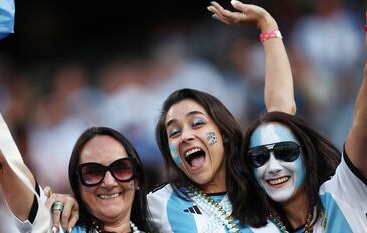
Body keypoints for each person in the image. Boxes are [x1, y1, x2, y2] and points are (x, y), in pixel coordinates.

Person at [0, 56, 152, 232]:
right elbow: (1, 160)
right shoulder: (55, 227)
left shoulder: (165, 225)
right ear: (77, 186)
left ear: (137, 179)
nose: (109, 182)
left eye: (121, 168)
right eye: (93, 172)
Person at [145, 1, 296, 232]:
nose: (185, 136)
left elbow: (282, 110)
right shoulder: (156, 204)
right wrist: (67, 204)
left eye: (197, 123)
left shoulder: (262, 178)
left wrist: (267, 24)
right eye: (174, 132)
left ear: (224, 133)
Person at [240, 13, 367, 233]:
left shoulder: (343, 193)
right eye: (259, 158)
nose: (273, 167)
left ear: (306, 153)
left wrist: (268, 27)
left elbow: (363, 124)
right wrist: (267, 26)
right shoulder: (254, 229)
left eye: (286, 152)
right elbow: (277, 122)